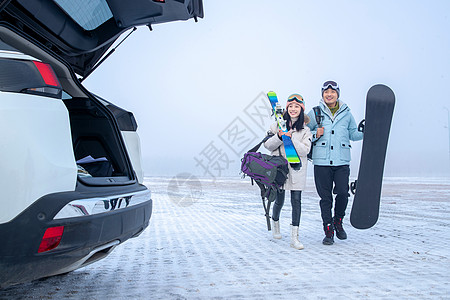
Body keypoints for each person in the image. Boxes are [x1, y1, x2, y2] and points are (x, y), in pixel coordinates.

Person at [307, 80, 364, 245]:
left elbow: (353, 134)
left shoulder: (347, 113)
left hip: (341, 161)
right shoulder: (314, 112)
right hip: (321, 161)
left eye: (332, 92)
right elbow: (305, 132)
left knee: (343, 193)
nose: (329, 95)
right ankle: (328, 229)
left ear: (337, 94)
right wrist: (315, 133)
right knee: (325, 198)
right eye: (326, 92)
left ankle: (338, 221)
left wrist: (367, 132)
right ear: (322, 94)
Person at [264, 94, 312, 250]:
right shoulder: (276, 126)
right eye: (290, 106)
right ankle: (276, 224)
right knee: (279, 201)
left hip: (297, 170)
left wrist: (292, 139)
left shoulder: (306, 131)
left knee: (296, 202)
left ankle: (294, 238)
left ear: (301, 110)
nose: (293, 109)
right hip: (279, 170)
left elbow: (305, 150)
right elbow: (268, 146)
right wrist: (279, 136)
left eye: (297, 107)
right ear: (287, 108)